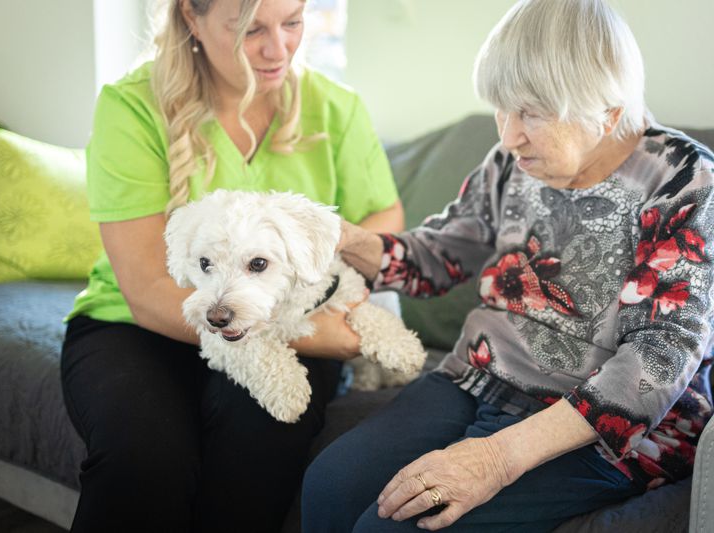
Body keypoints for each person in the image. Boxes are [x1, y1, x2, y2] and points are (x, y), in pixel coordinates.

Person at [301, 0, 714, 531]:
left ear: (608, 113)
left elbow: (658, 359)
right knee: (330, 484)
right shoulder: (510, 161)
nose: (509, 135)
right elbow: (440, 255)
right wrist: (345, 239)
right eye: (503, 107)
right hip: (480, 376)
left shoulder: (685, 183)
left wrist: (496, 458)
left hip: (607, 430)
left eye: (533, 113)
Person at [59, 0, 404, 531]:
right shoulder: (130, 108)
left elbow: (384, 225)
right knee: (143, 457)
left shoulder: (337, 108)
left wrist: (323, 256)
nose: (278, 48)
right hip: (140, 324)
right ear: (192, 20)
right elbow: (149, 287)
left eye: (292, 22)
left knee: (261, 431)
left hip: (290, 313)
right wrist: (322, 337)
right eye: (249, 30)